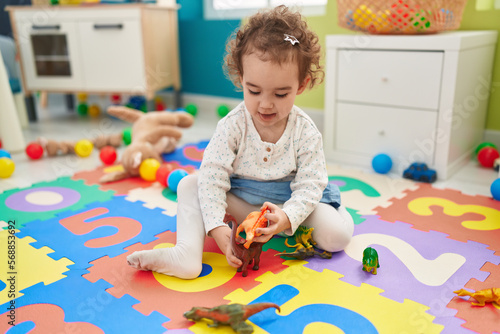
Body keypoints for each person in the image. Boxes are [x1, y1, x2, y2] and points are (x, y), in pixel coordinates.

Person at [127, 5, 354, 279]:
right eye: (254, 90)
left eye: (281, 94)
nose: (266, 104)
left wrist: (286, 217)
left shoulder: (305, 131)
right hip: (242, 201)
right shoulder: (232, 125)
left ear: (301, 85)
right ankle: (185, 254)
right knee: (191, 184)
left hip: (288, 202)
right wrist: (216, 227)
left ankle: (324, 216)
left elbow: (309, 184)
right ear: (241, 78)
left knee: (338, 238)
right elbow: (213, 177)